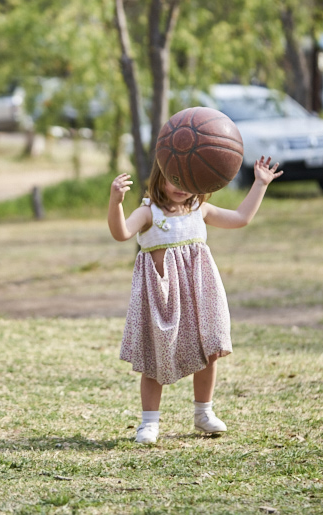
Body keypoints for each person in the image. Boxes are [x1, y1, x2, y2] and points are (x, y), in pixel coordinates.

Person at [108, 155, 282, 443]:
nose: (181, 187)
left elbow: (241, 218)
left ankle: (204, 413)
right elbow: (121, 233)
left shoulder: (199, 209)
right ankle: (149, 423)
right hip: (162, 298)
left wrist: (260, 184)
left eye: (189, 181)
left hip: (200, 294)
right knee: (155, 357)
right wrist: (115, 202)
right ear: (159, 175)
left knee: (209, 350)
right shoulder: (149, 211)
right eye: (174, 179)